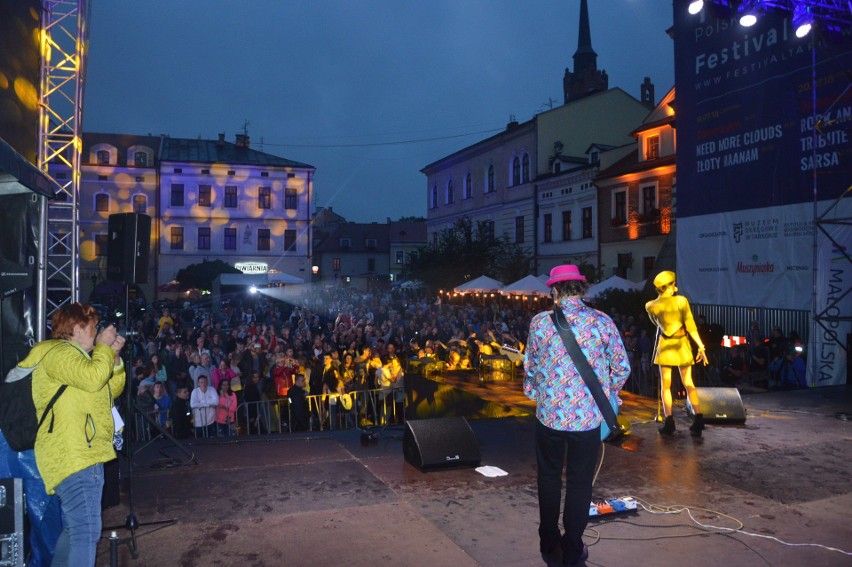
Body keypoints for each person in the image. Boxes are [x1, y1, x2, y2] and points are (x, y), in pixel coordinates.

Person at [524, 265, 630, 567]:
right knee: (580, 482)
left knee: (548, 477)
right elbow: (622, 367)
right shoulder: (601, 321)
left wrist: (535, 392)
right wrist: (610, 395)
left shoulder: (540, 323)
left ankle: (548, 539)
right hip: (586, 419)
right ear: (581, 289)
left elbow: (531, 367)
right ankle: (572, 548)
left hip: (550, 416)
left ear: (555, 291)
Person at [31, 302, 126, 567]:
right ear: (76, 328)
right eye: (93, 327)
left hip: (81, 454)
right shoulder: (57, 353)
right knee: (85, 532)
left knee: (76, 530)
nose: (97, 333)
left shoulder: (81, 360)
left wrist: (114, 358)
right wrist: (104, 349)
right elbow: (95, 378)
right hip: (74, 454)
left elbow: (110, 389)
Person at [645, 271, 708, 436]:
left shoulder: (651, 305)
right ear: (669, 285)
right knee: (689, 383)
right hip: (681, 344)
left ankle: (669, 422)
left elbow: (657, 324)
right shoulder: (681, 301)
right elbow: (691, 325)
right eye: (673, 284)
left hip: (665, 345)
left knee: (666, 385)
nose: (676, 286)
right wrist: (701, 346)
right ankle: (698, 418)